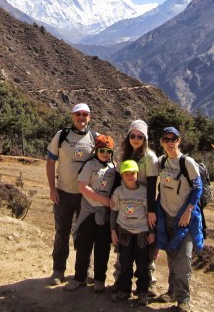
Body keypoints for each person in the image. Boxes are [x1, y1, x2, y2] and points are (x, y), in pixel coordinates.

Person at [46, 103, 96, 285]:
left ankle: (83, 272)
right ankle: (58, 270)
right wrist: (52, 188)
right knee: (62, 233)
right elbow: (50, 163)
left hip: (86, 197)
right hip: (64, 194)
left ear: (89, 117)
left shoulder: (94, 138)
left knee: (85, 235)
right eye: (78, 114)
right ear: (72, 116)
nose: (81, 118)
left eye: (85, 114)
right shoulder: (61, 136)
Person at [155, 127, 204, 312]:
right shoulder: (161, 162)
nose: (169, 142)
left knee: (183, 259)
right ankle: (172, 291)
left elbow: (197, 189)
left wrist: (188, 211)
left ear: (179, 140)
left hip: (185, 219)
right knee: (172, 257)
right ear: (161, 141)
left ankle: (184, 299)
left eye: (173, 139)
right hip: (166, 217)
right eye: (166, 139)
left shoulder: (187, 163)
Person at [110, 120, 160, 294]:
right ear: (128, 137)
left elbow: (153, 186)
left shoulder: (150, 158)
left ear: (145, 138)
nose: (136, 139)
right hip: (125, 202)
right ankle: (121, 282)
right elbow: (117, 180)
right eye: (133, 135)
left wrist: (151, 211)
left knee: (145, 247)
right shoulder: (124, 154)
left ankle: (147, 284)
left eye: (140, 136)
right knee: (124, 247)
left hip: (144, 203)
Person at [64, 134, 118, 292]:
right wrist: (103, 199)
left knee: (103, 248)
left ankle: (100, 279)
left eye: (108, 151)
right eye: (101, 150)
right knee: (84, 246)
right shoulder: (89, 165)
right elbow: (82, 186)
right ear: (96, 150)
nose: (105, 154)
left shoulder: (113, 168)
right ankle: (79, 278)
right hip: (89, 211)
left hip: (105, 214)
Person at [109, 160, 155, 305]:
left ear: (137, 174)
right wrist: (113, 231)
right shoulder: (118, 192)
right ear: (122, 175)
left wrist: (152, 232)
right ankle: (124, 290)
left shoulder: (144, 191)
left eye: (132, 173)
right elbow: (113, 212)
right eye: (126, 174)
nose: (129, 176)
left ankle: (142, 292)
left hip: (142, 232)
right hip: (124, 232)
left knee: (143, 265)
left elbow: (150, 213)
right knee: (125, 264)